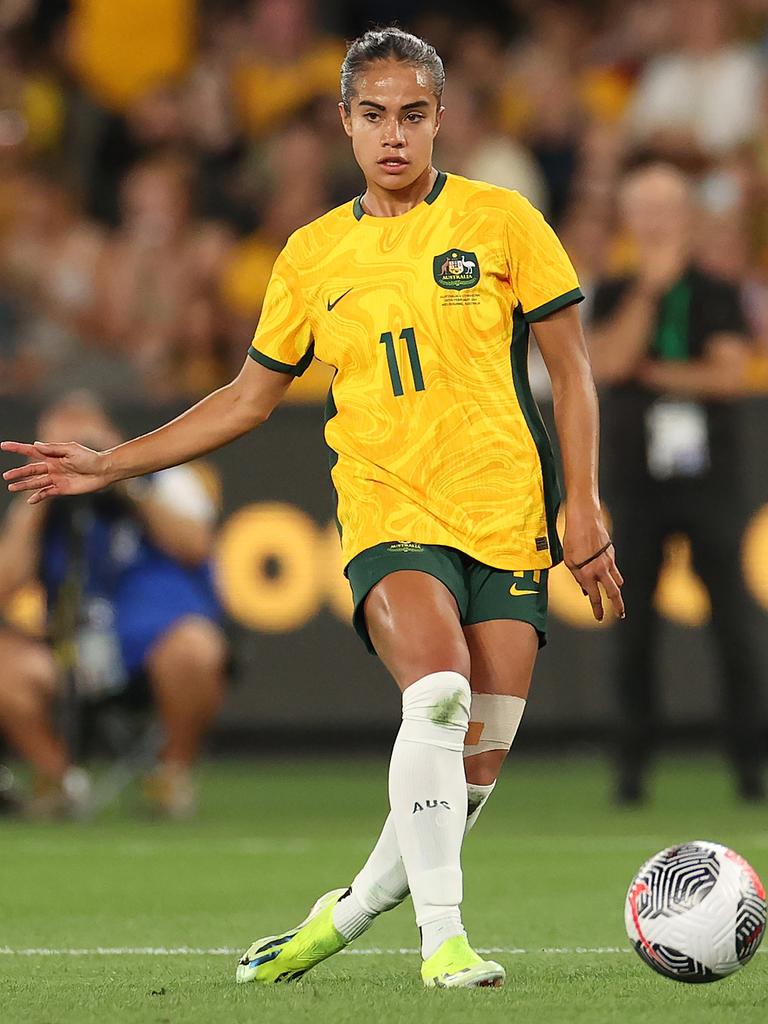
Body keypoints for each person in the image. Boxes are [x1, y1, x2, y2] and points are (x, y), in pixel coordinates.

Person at [2, 28, 623, 989]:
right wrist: (111, 465)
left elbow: (572, 372)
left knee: (474, 767)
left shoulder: (504, 222)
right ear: (344, 122)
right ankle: (443, 943)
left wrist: (583, 504)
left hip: (507, 513)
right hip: (387, 510)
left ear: (440, 121)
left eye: (413, 115)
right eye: (373, 115)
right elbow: (249, 398)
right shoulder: (312, 254)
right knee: (439, 695)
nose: (393, 136)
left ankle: (350, 910)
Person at [588, 162, 763, 804]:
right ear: (630, 219)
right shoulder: (615, 291)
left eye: (667, 208)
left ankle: (749, 763)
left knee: (736, 627)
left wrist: (652, 370)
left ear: (686, 217)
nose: (657, 221)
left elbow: (729, 376)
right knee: (632, 630)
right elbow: (607, 361)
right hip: (637, 483)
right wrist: (649, 295)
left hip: (711, 482)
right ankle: (631, 768)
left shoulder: (717, 290)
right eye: (645, 209)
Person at [0, 391, 226, 818]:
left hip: (151, 637)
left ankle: (172, 777)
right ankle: (61, 779)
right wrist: (38, 502)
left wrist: (119, 476)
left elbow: (195, 545)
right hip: (70, 645)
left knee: (197, 648)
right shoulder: (39, 500)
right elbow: (5, 586)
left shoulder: (165, 476)